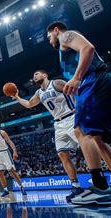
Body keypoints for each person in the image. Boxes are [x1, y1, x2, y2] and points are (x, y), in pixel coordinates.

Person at [46, 21, 111, 205]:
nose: (50, 40)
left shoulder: (65, 36)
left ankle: (100, 187)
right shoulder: (63, 50)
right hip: (99, 83)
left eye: (49, 36)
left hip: (92, 82)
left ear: (55, 30)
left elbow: (88, 48)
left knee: (81, 131)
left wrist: (76, 78)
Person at [13, 70, 84, 202]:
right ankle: (76, 186)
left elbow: (76, 90)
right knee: (62, 155)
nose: (34, 76)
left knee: (88, 147)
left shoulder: (56, 83)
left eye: (37, 74)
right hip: (58, 124)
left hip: (71, 117)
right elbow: (29, 104)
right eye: (33, 75)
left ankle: (102, 179)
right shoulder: (39, 93)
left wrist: (79, 107)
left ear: (45, 75)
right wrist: (17, 97)